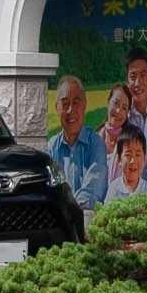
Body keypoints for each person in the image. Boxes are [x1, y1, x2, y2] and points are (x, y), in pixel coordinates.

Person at [46, 75, 107, 209]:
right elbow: (49, 189)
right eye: (65, 103)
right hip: (58, 220)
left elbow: (93, 192)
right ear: (57, 108)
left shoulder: (96, 144)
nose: (70, 110)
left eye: (76, 102)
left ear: (84, 105)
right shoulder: (51, 147)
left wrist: (67, 208)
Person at [101, 83, 147, 197]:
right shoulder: (94, 140)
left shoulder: (130, 140)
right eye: (116, 103)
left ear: (128, 113)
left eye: (124, 108)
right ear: (108, 102)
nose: (118, 111)